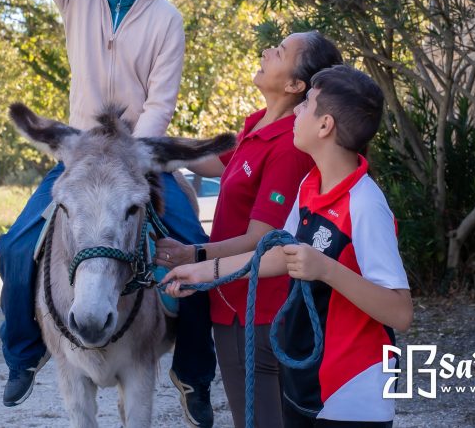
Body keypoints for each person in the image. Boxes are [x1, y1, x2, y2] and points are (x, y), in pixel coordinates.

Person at [0, 0, 217, 427]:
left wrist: (139, 167)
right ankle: (24, 354)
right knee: (16, 249)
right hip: (78, 156)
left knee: (195, 253)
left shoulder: (166, 18)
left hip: (140, 161)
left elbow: (161, 101)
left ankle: (191, 371)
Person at [163, 65, 413, 427]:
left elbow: (400, 312)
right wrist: (200, 272)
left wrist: (326, 269)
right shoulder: (311, 185)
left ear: (325, 126)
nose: (297, 110)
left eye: (307, 103)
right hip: (307, 375)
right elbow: (280, 254)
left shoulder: (365, 204)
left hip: (351, 389)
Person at [154, 30, 342, 428]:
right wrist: (154, 144)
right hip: (235, 300)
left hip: (258, 307)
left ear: (295, 85)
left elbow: (263, 238)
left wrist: (195, 256)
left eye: (280, 51)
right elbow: (213, 161)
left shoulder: (288, 147)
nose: (265, 51)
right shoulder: (258, 129)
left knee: (259, 419)